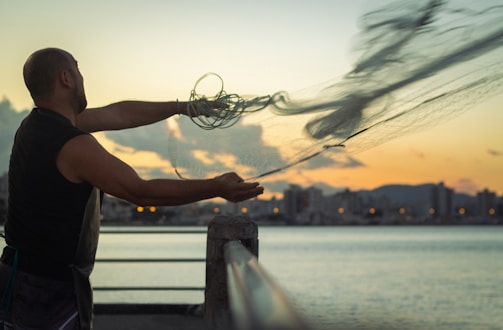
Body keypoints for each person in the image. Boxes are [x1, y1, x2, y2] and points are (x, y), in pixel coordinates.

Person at [0, 48, 264, 329]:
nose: (81, 76)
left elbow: (118, 114)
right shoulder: (73, 145)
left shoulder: (33, 125)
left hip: (17, 276)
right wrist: (216, 186)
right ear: (66, 78)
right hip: (43, 292)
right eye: (77, 69)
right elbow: (141, 192)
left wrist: (183, 107)